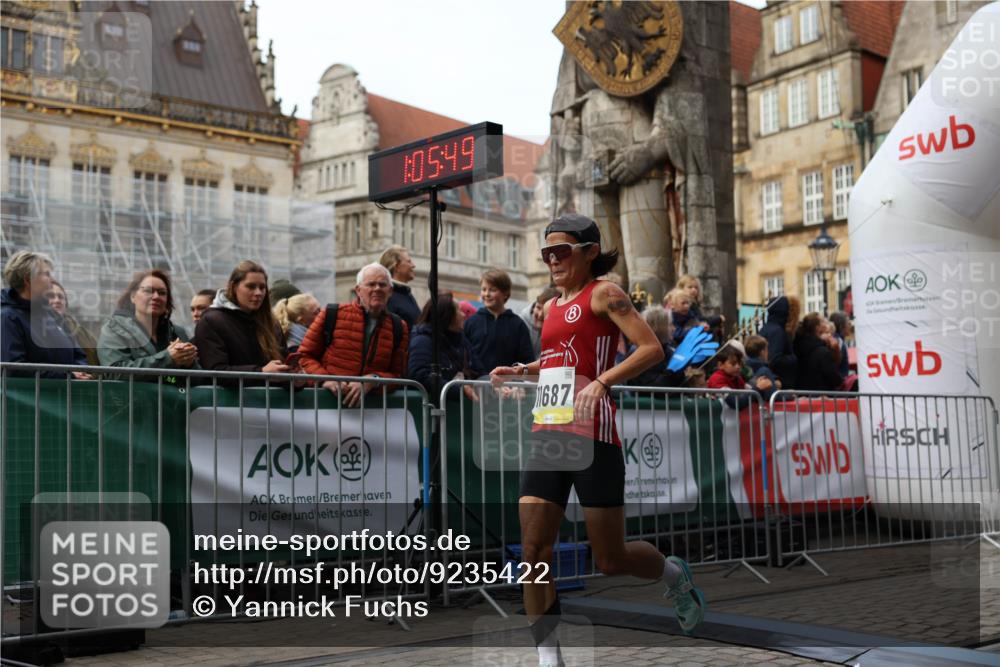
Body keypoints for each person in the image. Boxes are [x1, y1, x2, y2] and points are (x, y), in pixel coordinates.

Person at [489, 214, 704, 667]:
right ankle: (550, 658)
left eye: (561, 251)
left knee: (610, 557)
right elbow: (557, 359)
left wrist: (602, 382)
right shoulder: (550, 306)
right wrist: (521, 370)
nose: (552, 260)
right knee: (534, 549)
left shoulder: (605, 293)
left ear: (589, 251)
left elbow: (651, 349)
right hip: (550, 432)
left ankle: (673, 575)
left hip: (593, 435)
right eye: (546, 253)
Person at [298, 263, 408, 407]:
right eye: (371, 284)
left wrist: (374, 380)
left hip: (371, 414)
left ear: (390, 291)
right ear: (358, 290)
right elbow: (304, 357)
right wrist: (325, 379)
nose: (377, 289)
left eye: (382, 284)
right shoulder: (332, 314)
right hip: (326, 407)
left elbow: (398, 375)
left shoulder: (399, 326)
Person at [194, 261, 289, 384]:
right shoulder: (211, 321)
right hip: (228, 402)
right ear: (234, 287)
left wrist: (296, 380)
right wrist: (261, 372)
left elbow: (281, 367)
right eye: (251, 286)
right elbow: (215, 371)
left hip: (270, 402)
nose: (258, 293)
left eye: (262, 287)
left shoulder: (272, 323)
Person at [1, 251, 90, 379]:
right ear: (28, 279)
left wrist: (81, 370)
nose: (52, 280)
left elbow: (78, 353)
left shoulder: (52, 314)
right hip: (33, 397)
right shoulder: (7, 318)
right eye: (47, 274)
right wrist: (67, 376)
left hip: (64, 395)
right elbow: (13, 368)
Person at [98, 270, 199, 381]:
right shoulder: (113, 329)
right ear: (133, 296)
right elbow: (115, 373)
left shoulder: (177, 332)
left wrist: (189, 364)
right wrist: (168, 358)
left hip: (174, 398)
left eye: (162, 293)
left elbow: (198, 380)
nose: (156, 297)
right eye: (148, 291)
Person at [407, 292, 483, 401]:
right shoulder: (422, 340)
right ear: (447, 315)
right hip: (434, 412)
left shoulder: (463, 340)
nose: (464, 315)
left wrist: (492, 384)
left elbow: (479, 371)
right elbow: (419, 375)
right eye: (459, 310)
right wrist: (458, 389)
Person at [466, 269, 534, 373]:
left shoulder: (517, 324)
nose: (487, 294)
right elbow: (464, 358)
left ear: (505, 293)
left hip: (510, 384)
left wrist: (518, 383)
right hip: (478, 384)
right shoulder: (471, 322)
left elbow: (526, 360)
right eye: (484, 289)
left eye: (492, 290)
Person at [622, 306, 685, 388]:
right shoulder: (640, 352)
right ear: (660, 328)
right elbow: (655, 387)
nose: (674, 328)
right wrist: (672, 371)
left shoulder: (667, 349)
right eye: (670, 325)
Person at [47, 279, 99, 366]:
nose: (57, 300)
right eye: (51, 296)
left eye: (60, 297)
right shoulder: (36, 327)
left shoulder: (81, 331)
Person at [708, 343, 774, 407]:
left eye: (739, 363)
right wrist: (758, 388)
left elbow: (753, 395)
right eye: (733, 363)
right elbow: (736, 403)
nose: (738, 366)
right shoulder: (716, 379)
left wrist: (761, 387)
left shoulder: (737, 377)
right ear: (720, 365)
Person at [793, 313, 844, 392]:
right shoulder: (823, 352)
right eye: (823, 322)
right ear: (817, 328)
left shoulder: (798, 346)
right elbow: (836, 380)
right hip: (822, 398)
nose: (827, 324)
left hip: (803, 396)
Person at [758, 295, 799, 389]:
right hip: (779, 381)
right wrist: (793, 358)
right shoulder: (777, 331)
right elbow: (775, 359)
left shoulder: (766, 327)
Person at [380, 245, 420, 330]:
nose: (413, 265)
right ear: (397, 267)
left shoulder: (405, 293)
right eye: (409, 262)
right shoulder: (387, 297)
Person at [519, 286, 561, 358]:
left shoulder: (560, 330)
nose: (540, 314)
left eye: (545, 310)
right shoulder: (520, 324)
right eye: (538, 308)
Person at [829, 311, 852, 379]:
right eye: (848, 323)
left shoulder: (836, 340)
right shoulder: (838, 342)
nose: (850, 325)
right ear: (841, 326)